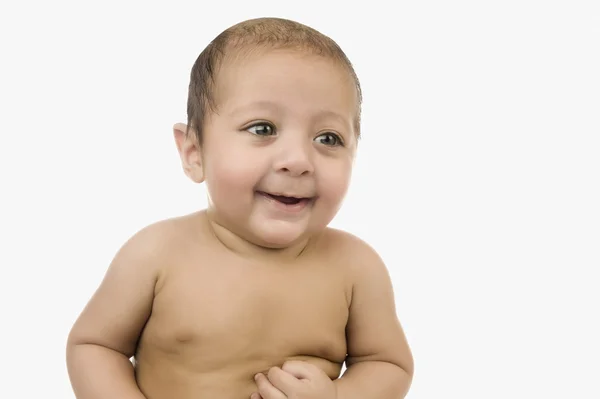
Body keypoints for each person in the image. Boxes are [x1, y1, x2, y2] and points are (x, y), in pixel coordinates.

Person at [66, 17, 414, 399]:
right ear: (194, 153)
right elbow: (95, 347)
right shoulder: (156, 253)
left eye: (328, 138)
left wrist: (337, 396)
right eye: (262, 128)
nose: (297, 160)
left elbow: (388, 364)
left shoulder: (356, 267)